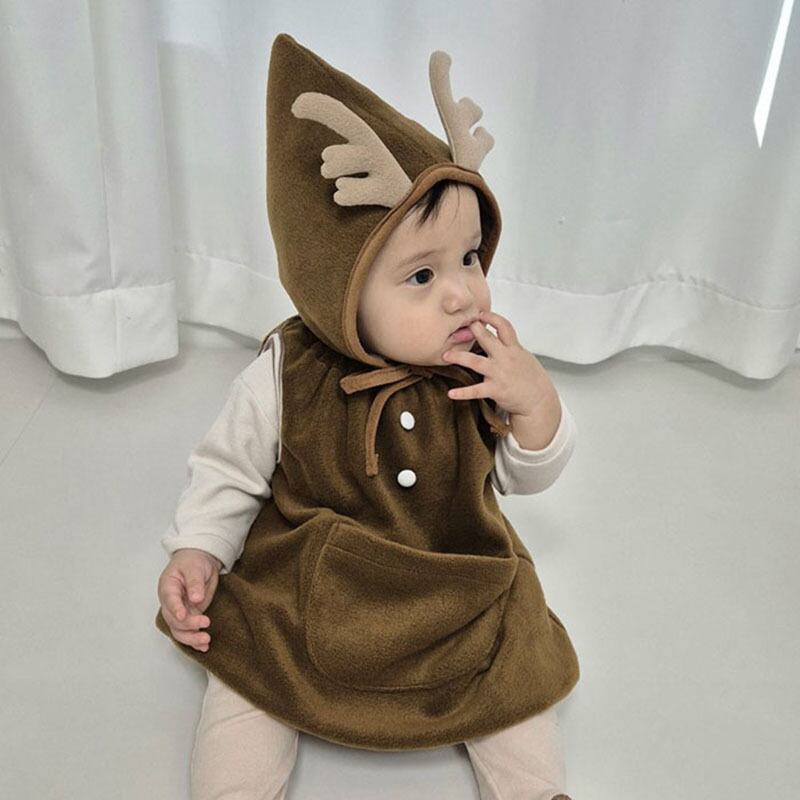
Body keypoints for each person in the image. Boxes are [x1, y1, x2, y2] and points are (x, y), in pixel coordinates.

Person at [155, 33, 580, 800]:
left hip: (458, 577)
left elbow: (525, 475)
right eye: (421, 275)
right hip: (311, 581)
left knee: (514, 680)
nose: (463, 293)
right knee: (251, 669)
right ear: (339, 291)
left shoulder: (481, 364)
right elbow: (229, 468)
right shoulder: (289, 373)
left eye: (470, 257)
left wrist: (534, 403)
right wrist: (200, 548)